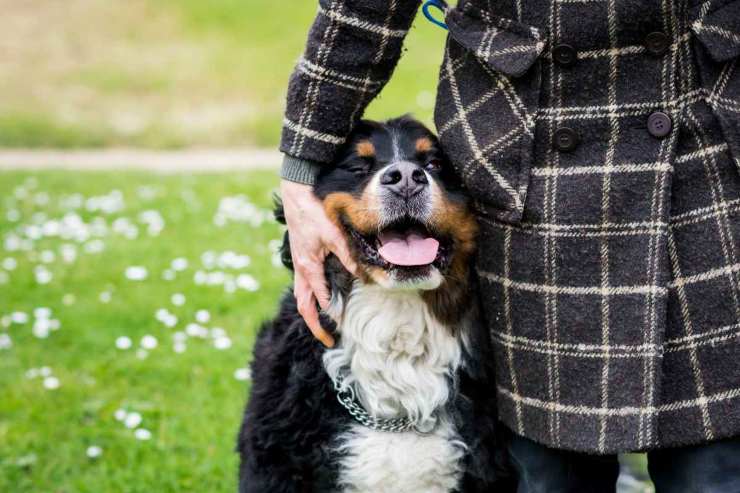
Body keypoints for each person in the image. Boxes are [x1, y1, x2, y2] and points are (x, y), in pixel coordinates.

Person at [278, 0, 740, 491]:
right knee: (551, 475)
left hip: (704, 140)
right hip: (527, 153)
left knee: (714, 470)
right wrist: (301, 164)